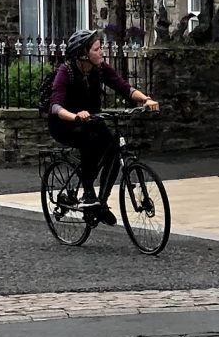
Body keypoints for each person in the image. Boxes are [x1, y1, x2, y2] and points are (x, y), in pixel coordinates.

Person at [46, 29, 159, 222]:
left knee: (113, 149)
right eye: (97, 49)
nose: (102, 52)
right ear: (83, 53)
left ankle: (100, 203)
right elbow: (55, 105)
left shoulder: (100, 69)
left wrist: (146, 100)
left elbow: (124, 87)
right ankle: (88, 192)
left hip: (92, 120)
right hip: (64, 124)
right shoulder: (66, 72)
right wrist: (74, 116)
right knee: (90, 141)